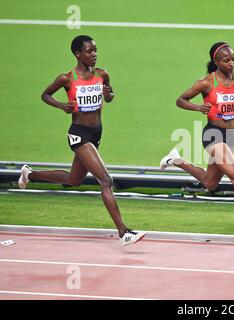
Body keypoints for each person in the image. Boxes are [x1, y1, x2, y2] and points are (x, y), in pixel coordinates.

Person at [17, 35, 145, 246]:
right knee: (105, 180)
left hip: (96, 134)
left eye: (95, 50)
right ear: (78, 54)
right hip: (78, 134)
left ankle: (29, 174)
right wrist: (61, 106)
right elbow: (45, 95)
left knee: (74, 180)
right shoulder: (66, 79)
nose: (94, 54)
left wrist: (109, 93)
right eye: (89, 51)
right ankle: (123, 232)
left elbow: (110, 97)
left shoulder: (102, 74)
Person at [160, 42, 234, 248]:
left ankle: (174, 159)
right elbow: (180, 100)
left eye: (233, 59)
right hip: (213, 135)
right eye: (226, 60)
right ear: (216, 62)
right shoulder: (206, 83)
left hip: (231, 136)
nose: (231, 63)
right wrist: (198, 107)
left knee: (210, 183)